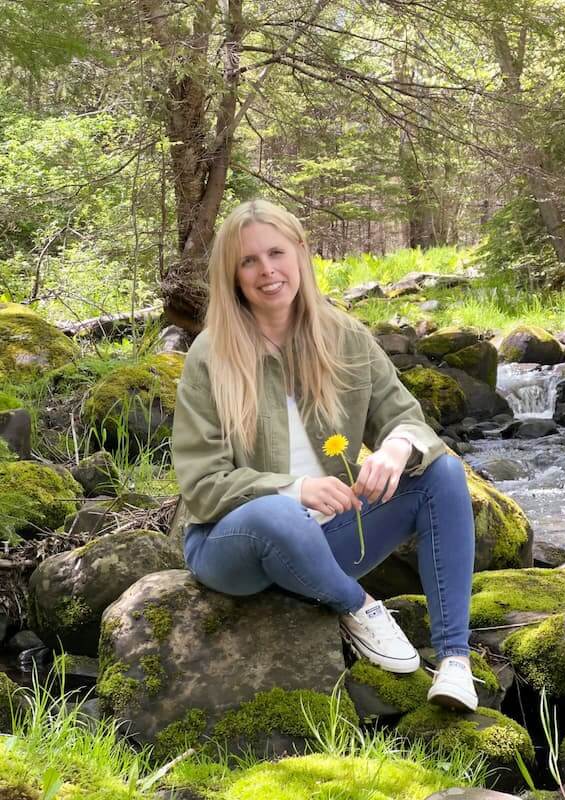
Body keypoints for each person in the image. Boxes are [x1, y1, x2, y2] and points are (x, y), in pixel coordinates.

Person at [172, 199, 478, 712]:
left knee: (441, 473)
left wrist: (398, 447)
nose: (267, 270)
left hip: (329, 538)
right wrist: (293, 488)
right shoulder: (211, 354)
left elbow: (409, 420)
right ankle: (358, 607)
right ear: (233, 275)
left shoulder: (345, 337)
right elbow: (202, 485)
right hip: (233, 548)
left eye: (277, 253)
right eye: (249, 261)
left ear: (301, 254)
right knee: (277, 511)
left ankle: (454, 661)